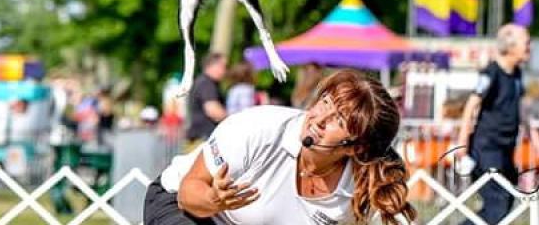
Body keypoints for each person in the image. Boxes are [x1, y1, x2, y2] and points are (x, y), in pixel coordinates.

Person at [144, 69, 417, 225]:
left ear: (357, 148)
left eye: (339, 119)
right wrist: (213, 200)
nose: (319, 118)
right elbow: (188, 193)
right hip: (180, 205)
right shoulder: (258, 127)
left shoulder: (363, 186)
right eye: (325, 102)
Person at [455, 23, 534, 225]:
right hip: (487, 149)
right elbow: (471, 106)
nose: (529, 47)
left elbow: (519, 107)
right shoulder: (490, 73)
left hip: (507, 149)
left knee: (506, 202)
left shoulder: (517, 73)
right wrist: (462, 143)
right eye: (526, 43)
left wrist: (533, 134)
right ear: (510, 46)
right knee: (496, 203)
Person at [186, 53, 228, 146]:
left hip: (201, 139)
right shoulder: (206, 84)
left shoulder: (203, 82)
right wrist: (233, 121)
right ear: (212, 66)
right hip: (203, 140)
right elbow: (213, 110)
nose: (225, 70)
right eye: (223, 66)